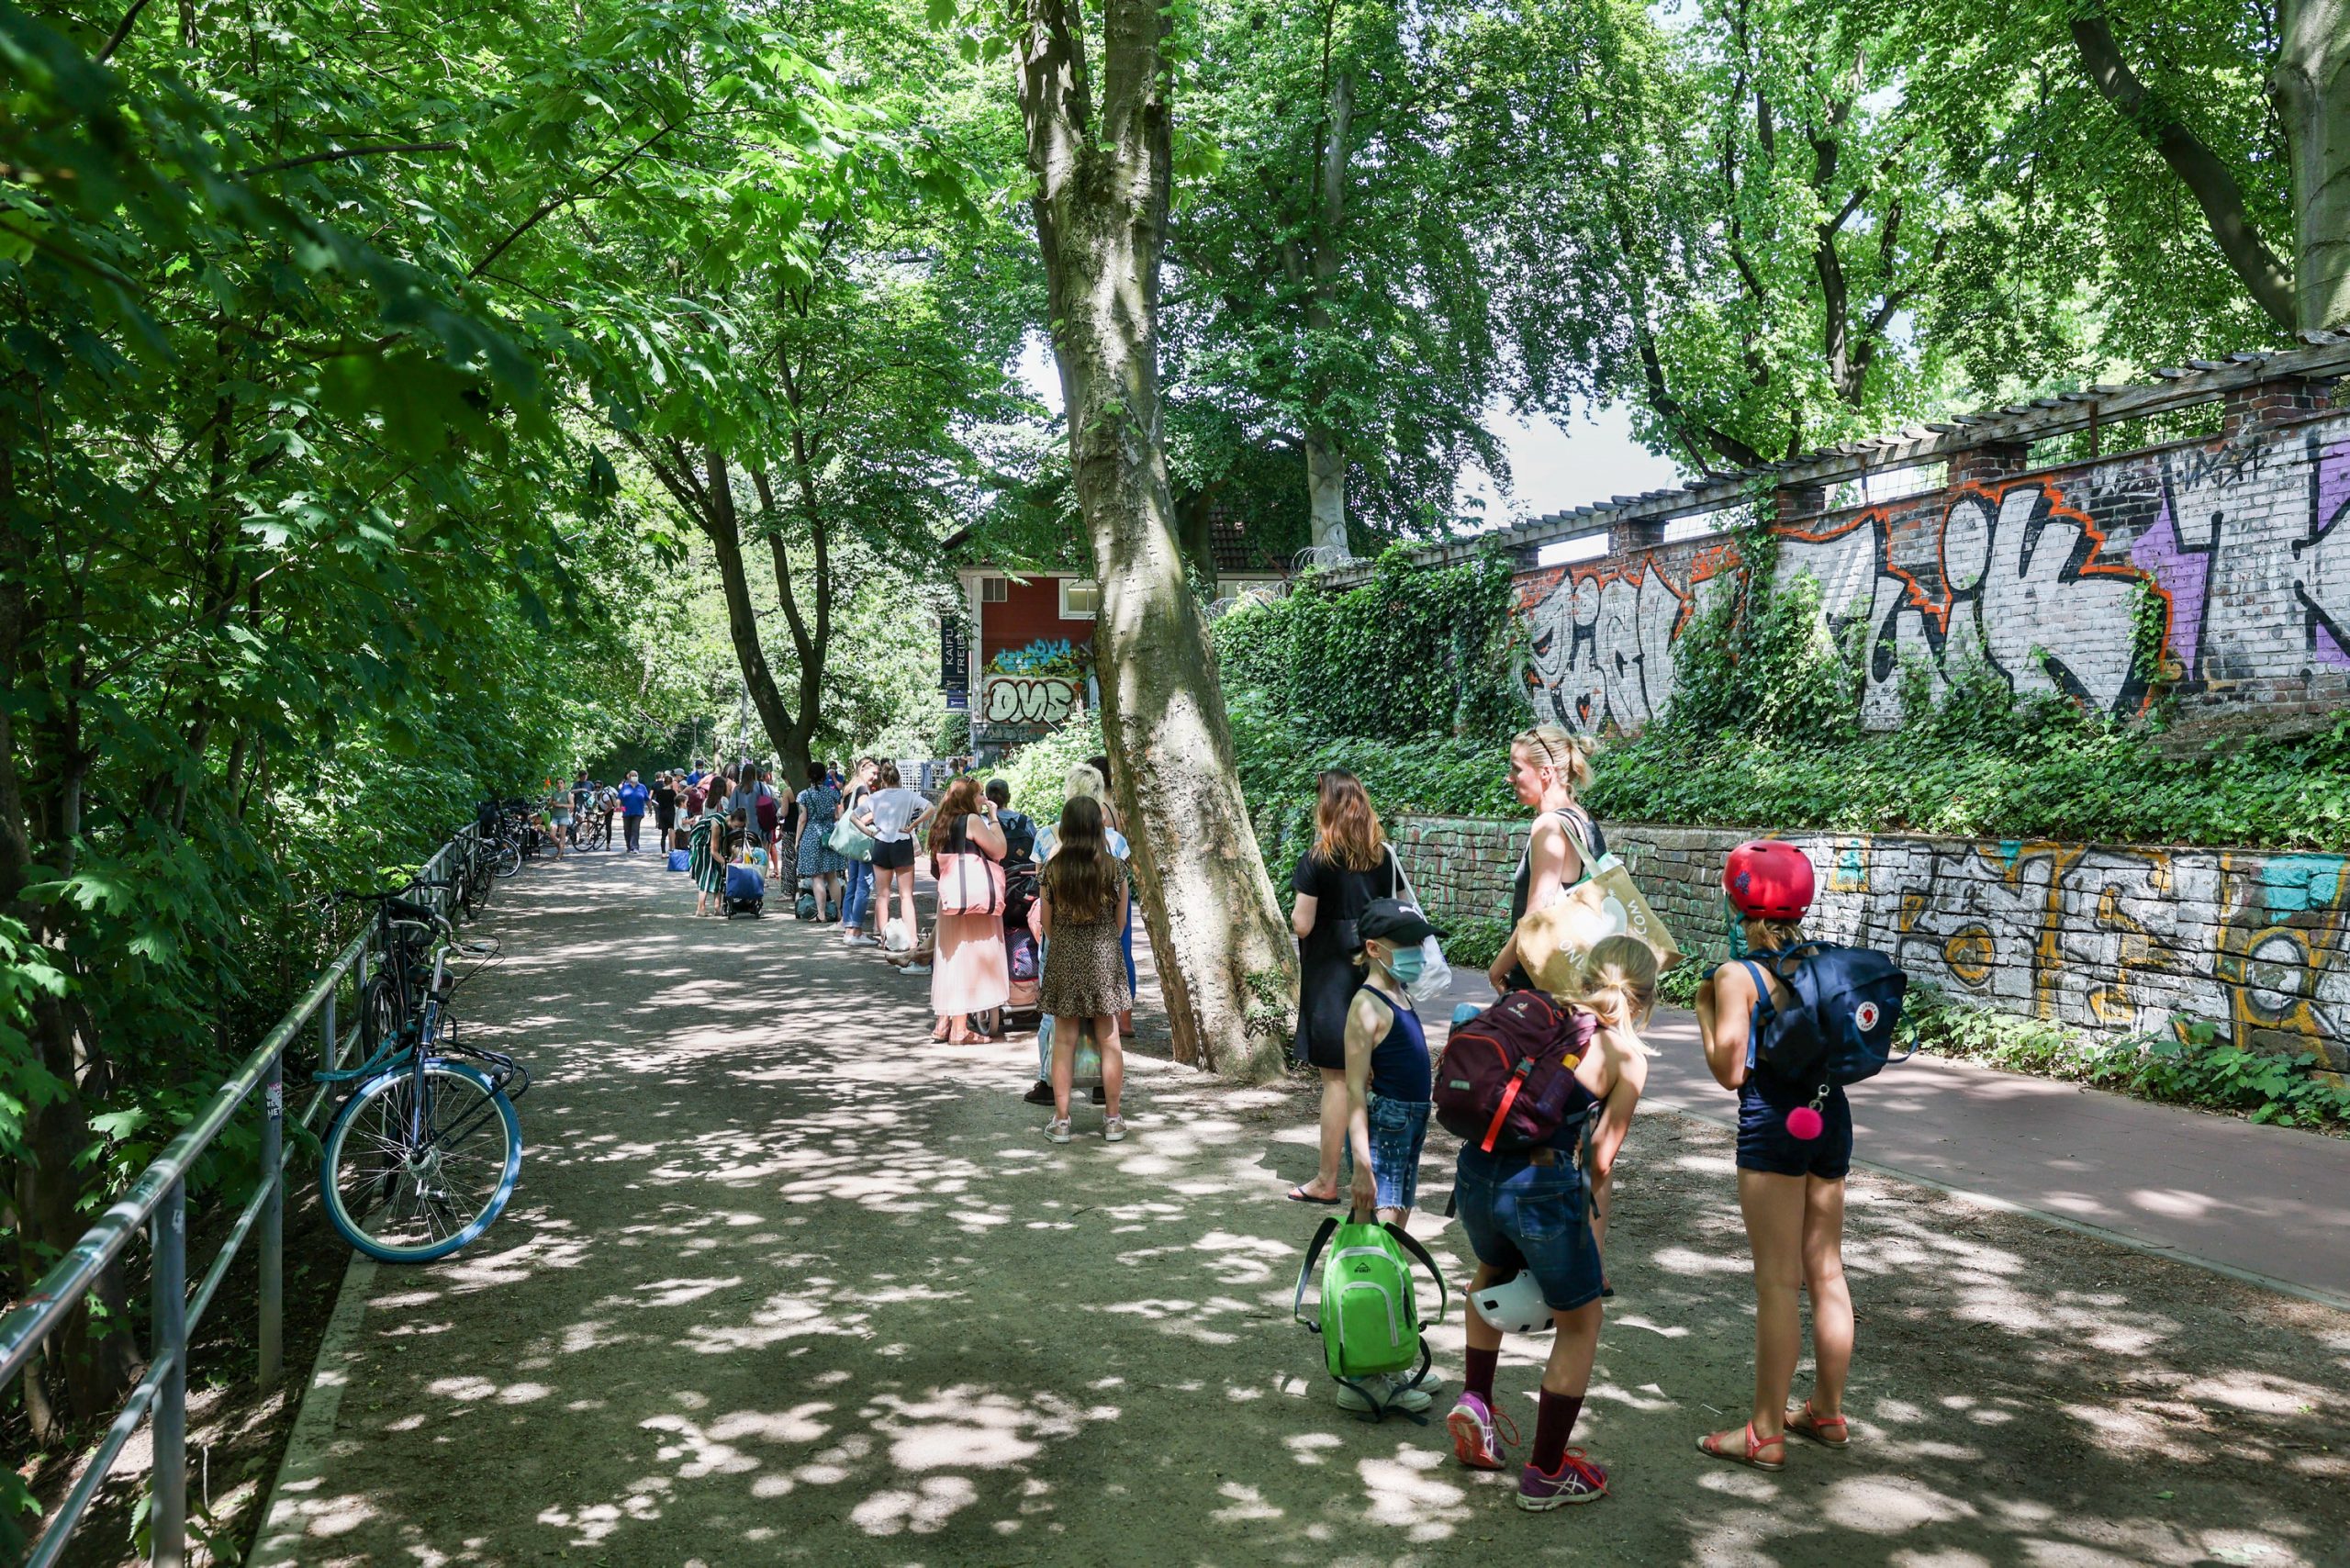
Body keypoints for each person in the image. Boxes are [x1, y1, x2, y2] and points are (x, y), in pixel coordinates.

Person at [1446, 934, 1655, 1510]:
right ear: (1644, 1000)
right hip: (1539, 1187)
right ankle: (1546, 1472)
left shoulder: (1542, 1014)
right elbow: (1601, 1161)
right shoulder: (1625, 1055)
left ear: (1586, 977)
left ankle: (1478, 1403)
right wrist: (1590, 1236)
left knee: (1490, 1271)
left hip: (1474, 1174)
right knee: (1581, 1322)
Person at [1693, 841, 1853, 1473]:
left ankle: (1764, 1431)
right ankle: (1827, 1412)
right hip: (1830, 1117)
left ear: (1743, 906)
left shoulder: (1740, 976)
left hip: (1775, 1125)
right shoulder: (1824, 962)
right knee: (1828, 1272)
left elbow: (1730, 1071)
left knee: (1778, 1282)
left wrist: (1706, 1008)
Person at [1333, 897, 1444, 1415]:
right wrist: (1361, 1166)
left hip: (1410, 1127)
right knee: (1375, 1251)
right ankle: (1365, 1378)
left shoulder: (1398, 993)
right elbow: (1355, 1092)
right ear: (1374, 949)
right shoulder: (1367, 1005)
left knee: (1391, 1247)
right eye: (1409, 946)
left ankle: (1388, 1358)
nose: (1419, 954)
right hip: (1386, 1133)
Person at [1285, 770, 1399, 1205]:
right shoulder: (1382, 857)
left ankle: (1327, 1180)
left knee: (1336, 1080)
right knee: (1370, 1076)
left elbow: (1303, 923)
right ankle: (1377, 1178)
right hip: (1375, 975)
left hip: (1330, 977)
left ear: (1327, 807)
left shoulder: (1316, 860)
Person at [1025, 765, 1130, 1107]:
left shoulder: (1052, 861)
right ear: (1100, 816)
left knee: (1062, 1035)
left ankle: (1062, 1117)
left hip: (1064, 953)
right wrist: (1103, 938)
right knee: (1109, 1036)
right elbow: (1121, 919)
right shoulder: (1116, 859)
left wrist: (1065, 940)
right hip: (1104, 955)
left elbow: (1046, 920)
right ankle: (1113, 1116)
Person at [1485, 726, 1602, 995]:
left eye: (1516, 769)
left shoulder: (1549, 825)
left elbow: (1540, 910)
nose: (1510, 778)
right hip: (1580, 976)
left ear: (1546, 773)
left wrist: (1497, 969)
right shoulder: (1582, 819)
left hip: (1543, 981)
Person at [927, 777, 1010, 1044]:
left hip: (951, 898)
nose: (982, 801)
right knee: (968, 959)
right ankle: (961, 1030)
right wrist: (994, 817)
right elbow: (999, 850)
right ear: (967, 799)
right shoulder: (972, 821)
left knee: (950, 959)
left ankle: (943, 1024)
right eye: (978, 796)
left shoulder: (941, 823)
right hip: (973, 900)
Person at [852, 762, 931, 951]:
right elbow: (930, 808)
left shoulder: (876, 797)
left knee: (882, 895)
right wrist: (912, 826)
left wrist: (870, 833)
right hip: (902, 842)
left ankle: (883, 938)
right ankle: (913, 939)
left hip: (881, 844)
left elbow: (854, 816)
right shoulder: (909, 795)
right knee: (906, 896)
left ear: (884, 780)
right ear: (899, 778)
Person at [795, 763, 848, 922]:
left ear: (809, 776)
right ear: (824, 776)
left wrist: (797, 840)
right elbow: (837, 816)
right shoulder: (832, 793)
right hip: (829, 835)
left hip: (811, 836)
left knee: (817, 877)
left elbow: (803, 819)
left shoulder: (804, 795)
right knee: (832, 876)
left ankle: (822, 914)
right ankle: (839, 913)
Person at [839, 758, 879, 948]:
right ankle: (856, 929)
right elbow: (863, 816)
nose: (876, 777)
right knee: (865, 884)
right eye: (873, 773)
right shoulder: (863, 790)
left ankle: (847, 925)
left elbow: (842, 813)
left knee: (853, 883)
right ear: (863, 770)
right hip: (862, 841)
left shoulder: (849, 788)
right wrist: (881, 810)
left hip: (851, 842)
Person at [686, 795, 727, 916]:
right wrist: (726, 862)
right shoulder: (717, 825)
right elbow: (713, 851)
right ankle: (701, 908)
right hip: (702, 843)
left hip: (711, 842)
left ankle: (717, 907)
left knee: (719, 875)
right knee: (706, 875)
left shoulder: (727, 820)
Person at [987, 778, 1035, 862]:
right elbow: (1037, 846)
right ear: (1009, 797)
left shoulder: (982, 820)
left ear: (987, 799)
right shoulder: (1025, 821)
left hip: (993, 871)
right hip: (1024, 871)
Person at [618, 770, 650, 853]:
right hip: (626, 812)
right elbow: (619, 798)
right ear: (629, 776)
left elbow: (647, 799)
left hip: (638, 812)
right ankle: (629, 846)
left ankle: (635, 847)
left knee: (635, 830)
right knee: (627, 830)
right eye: (632, 775)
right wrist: (618, 807)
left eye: (635, 775)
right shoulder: (625, 787)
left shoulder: (642, 787)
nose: (634, 776)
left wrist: (650, 808)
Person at [652, 771, 679, 849]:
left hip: (662, 813)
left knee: (663, 834)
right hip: (671, 812)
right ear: (671, 782)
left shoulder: (660, 792)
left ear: (664, 782)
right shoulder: (672, 792)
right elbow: (677, 800)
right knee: (672, 830)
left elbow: (657, 801)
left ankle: (663, 852)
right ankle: (672, 848)